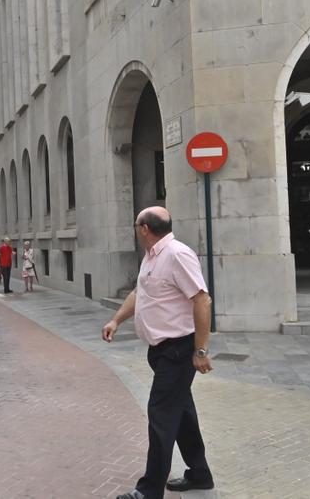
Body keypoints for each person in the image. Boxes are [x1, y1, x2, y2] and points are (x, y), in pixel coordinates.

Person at [103, 207, 214, 499]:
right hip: (160, 352)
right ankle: (200, 474)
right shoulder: (152, 256)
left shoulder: (177, 255)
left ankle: (148, 491)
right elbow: (139, 293)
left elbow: (202, 300)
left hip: (178, 352)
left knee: (161, 415)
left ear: (144, 229)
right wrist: (116, 320)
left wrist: (201, 350)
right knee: (183, 413)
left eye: (136, 225)